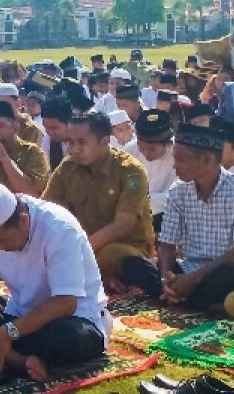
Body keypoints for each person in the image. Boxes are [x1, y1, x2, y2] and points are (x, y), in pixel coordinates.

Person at [0, 183, 112, 383]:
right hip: (19, 315)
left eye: (3, 240)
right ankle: (20, 360)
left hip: (75, 318)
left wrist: (8, 332)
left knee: (66, 338)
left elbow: (65, 302)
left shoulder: (59, 228)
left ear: (24, 221)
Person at [42, 113, 158, 294]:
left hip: (125, 249)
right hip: (82, 248)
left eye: (82, 142)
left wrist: (79, 250)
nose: (75, 149)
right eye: (70, 142)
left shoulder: (131, 170)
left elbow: (123, 225)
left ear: (104, 141)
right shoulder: (67, 167)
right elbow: (46, 210)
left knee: (109, 255)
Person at [156, 124, 234, 312]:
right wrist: (165, 278)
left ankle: (189, 298)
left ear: (207, 160)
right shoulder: (178, 190)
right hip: (188, 269)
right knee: (137, 264)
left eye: (180, 159)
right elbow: (167, 243)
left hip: (222, 272)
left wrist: (193, 279)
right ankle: (179, 294)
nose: (174, 165)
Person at [125, 110, 177, 236]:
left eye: (152, 149)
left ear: (168, 144)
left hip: (168, 219)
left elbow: (178, 196)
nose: (145, 153)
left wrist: (143, 201)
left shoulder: (180, 154)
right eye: (141, 147)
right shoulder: (129, 150)